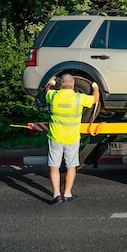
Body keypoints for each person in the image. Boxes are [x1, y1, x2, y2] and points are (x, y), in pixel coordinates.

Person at [44, 74, 99, 205]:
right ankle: (67, 194)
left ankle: (56, 194)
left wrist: (51, 83)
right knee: (71, 166)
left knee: (54, 166)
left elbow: (47, 91)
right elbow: (95, 99)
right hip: (72, 138)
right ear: (73, 85)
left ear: (61, 85)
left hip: (55, 136)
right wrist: (95, 86)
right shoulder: (78, 98)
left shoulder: (54, 96)